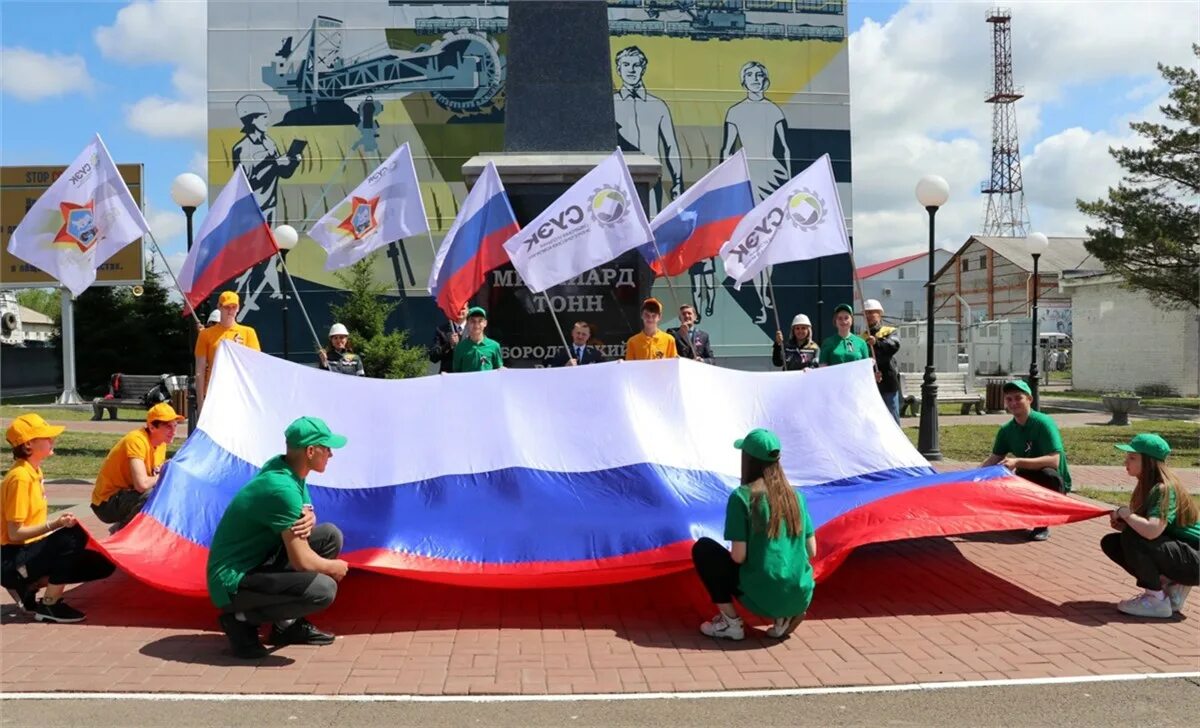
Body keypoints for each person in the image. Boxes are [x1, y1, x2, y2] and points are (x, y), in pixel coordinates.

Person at [207, 416, 350, 659]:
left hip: (259, 561)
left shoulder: (289, 470)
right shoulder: (281, 488)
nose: (331, 455)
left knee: (328, 536)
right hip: (232, 581)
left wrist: (311, 518)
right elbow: (301, 561)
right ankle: (240, 620)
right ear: (311, 450)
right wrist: (333, 567)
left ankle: (286, 625)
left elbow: (303, 515)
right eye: (327, 448)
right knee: (324, 589)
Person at [691, 428, 815, 641]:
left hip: (761, 593)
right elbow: (812, 550)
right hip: (800, 593)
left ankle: (731, 623)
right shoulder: (797, 497)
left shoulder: (742, 497)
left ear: (747, 459)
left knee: (704, 549)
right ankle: (783, 616)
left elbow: (738, 556)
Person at [2, 415, 115, 622]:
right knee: (72, 536)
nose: (52, 440)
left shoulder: (34, 471)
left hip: (29, 552)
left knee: (103, 564)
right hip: (13, 558)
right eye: (47, 437)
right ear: (28, 444)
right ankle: (49, 605)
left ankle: (29, 585)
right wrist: (55, 525)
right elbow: (14, 533)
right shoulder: (19, 478)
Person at [1102, 434, 1198, 618]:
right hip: (1185, 553)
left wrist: (1127, 515)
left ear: (1148, 462)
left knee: (1132, 537)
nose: (1126, 462)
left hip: (1195, 558)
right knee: (1114, 542)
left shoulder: (1164, 489)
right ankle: (1170, 589)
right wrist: (1125, 525)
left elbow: (1152, 531)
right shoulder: (1148, 487)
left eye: (1132, 457)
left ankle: (1156, 600)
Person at [980, 380, 1072, 541]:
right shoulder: (1006, 430)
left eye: (1018, 398)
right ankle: (1019, 515)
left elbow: (1054, 461)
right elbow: (995, 458)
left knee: (1047, 475)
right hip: (1025, 474)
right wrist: (973, 476)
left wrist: (1017, 462)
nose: (1014, 403)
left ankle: (1042, 523)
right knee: (998, 475)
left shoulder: (1043, 423)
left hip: (1053, 480)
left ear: (1029, 399)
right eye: (1009, 399)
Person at [90, 403, 184, 531]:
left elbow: (154, 476)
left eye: (175, 426)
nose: (174, 431)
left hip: (127, 495)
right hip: (106, 504)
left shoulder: (161, 443)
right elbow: (142, 485)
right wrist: (165, 473)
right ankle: (122, 534)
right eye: (168, 426)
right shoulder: (136, 440)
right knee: (151, 495)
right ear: (151, 427)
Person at [195, 291, 261, 412]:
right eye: (226, 307)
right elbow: (200, 370)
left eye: (234, 307)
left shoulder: (248, 332)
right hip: (214, 393)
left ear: (238, 308)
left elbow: (254, 367)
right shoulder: (205, 334)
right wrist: (200, 403)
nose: (230, 310)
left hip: (240, 393)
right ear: (219, 307)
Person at [861, 299, 902, 423]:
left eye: (871, 313)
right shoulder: (862, 337)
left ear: (879, 314)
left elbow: (894, 345)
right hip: (870, 382)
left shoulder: (889, 331)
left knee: (892, 415)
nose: (868, 316)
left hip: (888, 381)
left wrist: (877, 343)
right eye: (866, 313)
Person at [452, 307, 503, 373]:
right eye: (473, 321)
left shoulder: (494, 346)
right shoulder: (460, 348)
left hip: (488, 383)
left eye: (480, 321)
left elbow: (499, 370)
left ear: (485, 323)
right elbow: (456, 373)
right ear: (467, 323)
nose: (476, 325)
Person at [429, 304, 468, 374]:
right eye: (457, 308)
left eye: (463, 308)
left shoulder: (475, 329)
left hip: (469, 375)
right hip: (449, 377)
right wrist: (449, 345)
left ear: (468, 310)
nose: (459, 311)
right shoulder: (441, 330)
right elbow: (433, 357)